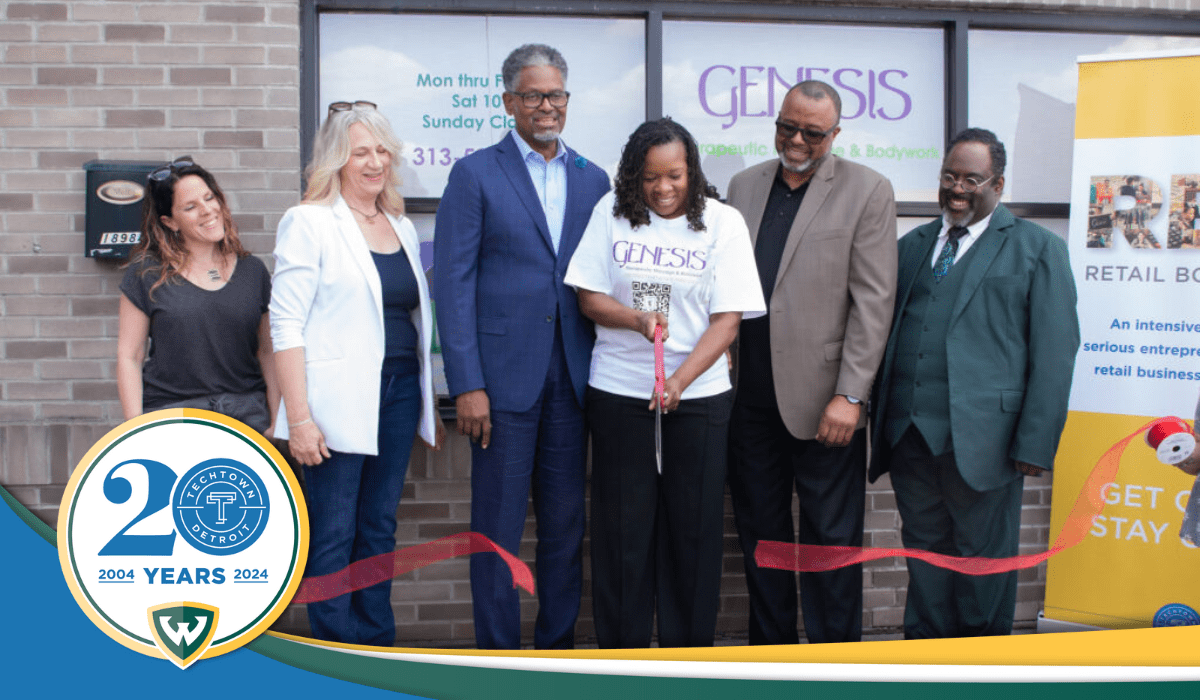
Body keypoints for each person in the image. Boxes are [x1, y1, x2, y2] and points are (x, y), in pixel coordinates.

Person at [869, 128, 1080, 639]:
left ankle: (982, 665)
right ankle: (925, 661)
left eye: (971, 178)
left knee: (983, 562)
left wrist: (1035, 442)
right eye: (948, 176)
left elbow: (1056, 353)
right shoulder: (912, 246)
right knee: (923, 553)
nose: (956, 188)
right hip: (910, 435)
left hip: (990, 441)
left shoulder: (1037, 248)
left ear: (998, 184)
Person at [433, 44, 610, 650]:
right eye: (532, 95)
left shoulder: (594, 179)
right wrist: (467, 383)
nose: (546, 106)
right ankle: (499, 658)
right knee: (498, 530)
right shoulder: (476, 173)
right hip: (501, 384)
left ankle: (555, 654)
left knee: (565, 526)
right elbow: (451, 284)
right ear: (508, 102)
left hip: (575, 377)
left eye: (555, 95)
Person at [565, 118, 764, 648]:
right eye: (650, 177)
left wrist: (678, 379)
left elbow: (728, 319)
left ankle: (686, 660)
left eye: (674, 175)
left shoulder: (723, 223)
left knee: (693, 534)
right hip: (620, 393)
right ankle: (624, 660)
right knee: (622, 534)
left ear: (691, 172)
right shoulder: (609, 214)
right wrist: (635, 319)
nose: (663, 188)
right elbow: (588, 296)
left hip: (696, 399)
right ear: (633, 177)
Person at [724, 80, 898, 645]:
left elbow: (874, 302)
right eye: (786, 126)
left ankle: (834, 666)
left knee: (830, 544)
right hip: (748, 400)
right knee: (763, 541)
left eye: (812, 132)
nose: (796, 140)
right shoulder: (743, 186)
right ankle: (771, 660)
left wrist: (851, 395)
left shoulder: (867, 190)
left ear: (835, 134)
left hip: (826, 403)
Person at [270, 101, 443, 646]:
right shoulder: (310, 221)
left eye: (380, 150)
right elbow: (286, 324)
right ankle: (336, 653)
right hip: (332, 406)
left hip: (394, 399)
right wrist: (299, 418)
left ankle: (375, 645)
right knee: (333, 533)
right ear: (337, 161)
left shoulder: (400, 227)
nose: (374, 161)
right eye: (359, 152)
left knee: (378, 528)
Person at [117, 158, 279, 434]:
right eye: (190, 207)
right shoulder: (146, 274)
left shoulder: (253, 271)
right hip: (174, 416)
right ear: (170, 221)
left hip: (247, 415)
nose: (207, 211)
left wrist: (277, 420)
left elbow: (268, 352)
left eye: (209, 198)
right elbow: (129, 355)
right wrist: (135, 431)